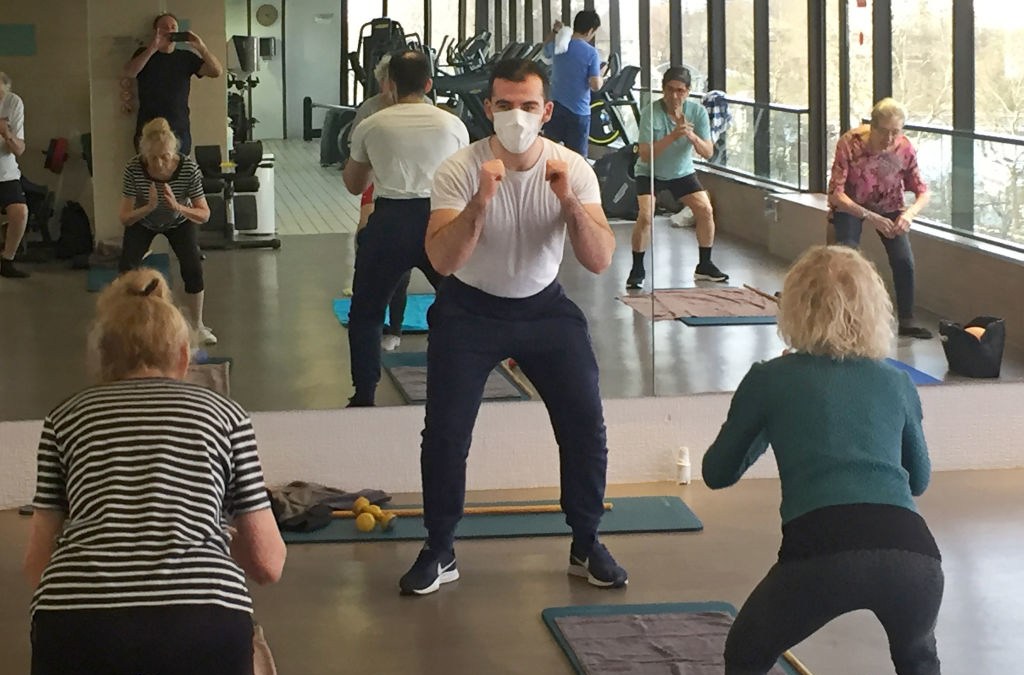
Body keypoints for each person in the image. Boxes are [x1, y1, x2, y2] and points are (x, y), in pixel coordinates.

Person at [399, 59, 627, 596]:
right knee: (446, 432)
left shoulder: (574, 168)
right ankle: (440, 548)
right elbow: (443, 260)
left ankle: (586, 542)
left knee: (585, 424)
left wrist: (567, 200)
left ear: (546, 112)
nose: (516, 116)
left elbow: (598, 259)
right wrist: (481, 201)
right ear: (488, 108)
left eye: (528, 106)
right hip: (469, 311)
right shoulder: (459, 169)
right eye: (505, 105)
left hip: (545, 309)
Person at [24, 268, 286, 675]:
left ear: (103, 357)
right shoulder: (226, 417)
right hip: (202, 622)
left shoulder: (64, 418)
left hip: (74, 625)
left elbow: (37, 564)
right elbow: (268, 563)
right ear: (183, 356)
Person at [703, 245, 943, 675]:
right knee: (918, 660)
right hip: (914, 555)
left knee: (745, 654)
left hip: (822, 552)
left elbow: (717, 473)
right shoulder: (897, 381)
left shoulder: (769, 379)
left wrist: (769, 422)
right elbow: (919, 480)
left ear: (794, 307)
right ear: (874, 309)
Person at [342, 50, 469, 407]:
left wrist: (378, 161)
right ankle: (459, 384)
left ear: (390, 85)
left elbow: (354, 184)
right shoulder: (452, 125)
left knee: (366, 314)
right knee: (460, 306)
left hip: (390, 221)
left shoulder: (372, 124)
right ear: (428, 84)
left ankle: (364, 395)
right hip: (440, 218)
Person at [828, 97, 932, 339]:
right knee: (848, 256)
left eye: (896, 132)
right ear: (872, 127)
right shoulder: (850, 143)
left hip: (889, 204)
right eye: (884, 131)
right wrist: (870, 216)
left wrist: (909, 214)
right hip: (852, 204)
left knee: (903, 260)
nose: (889, 138)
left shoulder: (904, 148)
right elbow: (836, 194)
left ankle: (907, 320)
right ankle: (845, 319)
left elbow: (923, 191)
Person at [628, 66, 728, 289]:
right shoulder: (651, 112)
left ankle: (704, 265)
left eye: (680, 90)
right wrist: (673, 136)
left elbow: (708, 152)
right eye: (670, 90)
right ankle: (637, 268)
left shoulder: (697, 112)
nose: (674, 96)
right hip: (649, 171)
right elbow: (644, 153)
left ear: (688, 91)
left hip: (681, 172)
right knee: (646, 216)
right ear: (663, 89)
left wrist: (691, 135)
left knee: (705, 210)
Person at [119, 117, 217, 344]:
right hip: (144, 221)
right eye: (153, 158)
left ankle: (197, 325)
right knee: (126, 270)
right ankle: (127, 325)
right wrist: (149, 207)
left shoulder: (188, 168)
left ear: (174, 152)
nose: (160, 163)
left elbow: (204, 214)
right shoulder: (133, 168)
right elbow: (124, 217)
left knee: (193, 267)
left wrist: (178, 207)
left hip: (178, 221)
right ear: (145, 155)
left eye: (165, 157)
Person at [350, 53, 412, 352]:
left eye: (390, 81)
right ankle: (368, 305)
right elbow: (355, 153)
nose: (386, 87)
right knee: (364, 239)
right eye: (383, 82)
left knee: (402, 268)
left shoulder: (422, 107)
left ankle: (395, 328)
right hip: (376, 183)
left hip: (412, 191)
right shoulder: (370, 109)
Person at [123, 12, 224, 154]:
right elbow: (129, 73)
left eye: (173, 27)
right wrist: (152, 48)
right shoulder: (144, 53)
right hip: (148, 128)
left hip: (179, 129)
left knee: (180, 166)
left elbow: (216, 71)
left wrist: (201, 47)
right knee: (147, 165)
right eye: (164, 27)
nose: (169, 31)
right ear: (155, 31)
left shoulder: (186, 57)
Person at [541, 11, 603, 157]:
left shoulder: (560, 46)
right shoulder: (591, 53)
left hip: (555, 108)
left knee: (551, 154)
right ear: (590, 31)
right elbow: (595, 85)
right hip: (578, 112)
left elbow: (545, 51)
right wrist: (602, 77)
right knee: (577, 159)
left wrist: (555, 32)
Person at [0, 71, 29, 278]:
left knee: (20, 212)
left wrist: (6, 133)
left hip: (6, 172)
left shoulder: (14, 103)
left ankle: (7, 260)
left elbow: (19, 149)